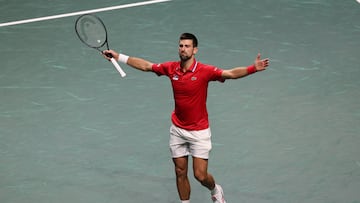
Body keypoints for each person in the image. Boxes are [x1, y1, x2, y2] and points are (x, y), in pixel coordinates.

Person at [103, 33, 269, 203]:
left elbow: (230, 73)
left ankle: (215, 189)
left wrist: (252, 68)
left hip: (199, 132)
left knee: (200, 175)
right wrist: (119, 56)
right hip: (178, 130)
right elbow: (147, 66)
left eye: (187, 46)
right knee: (180, 172)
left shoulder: (205, 71)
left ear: (195, 50)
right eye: (181, 46)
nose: (183, 49)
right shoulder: (171, 68)